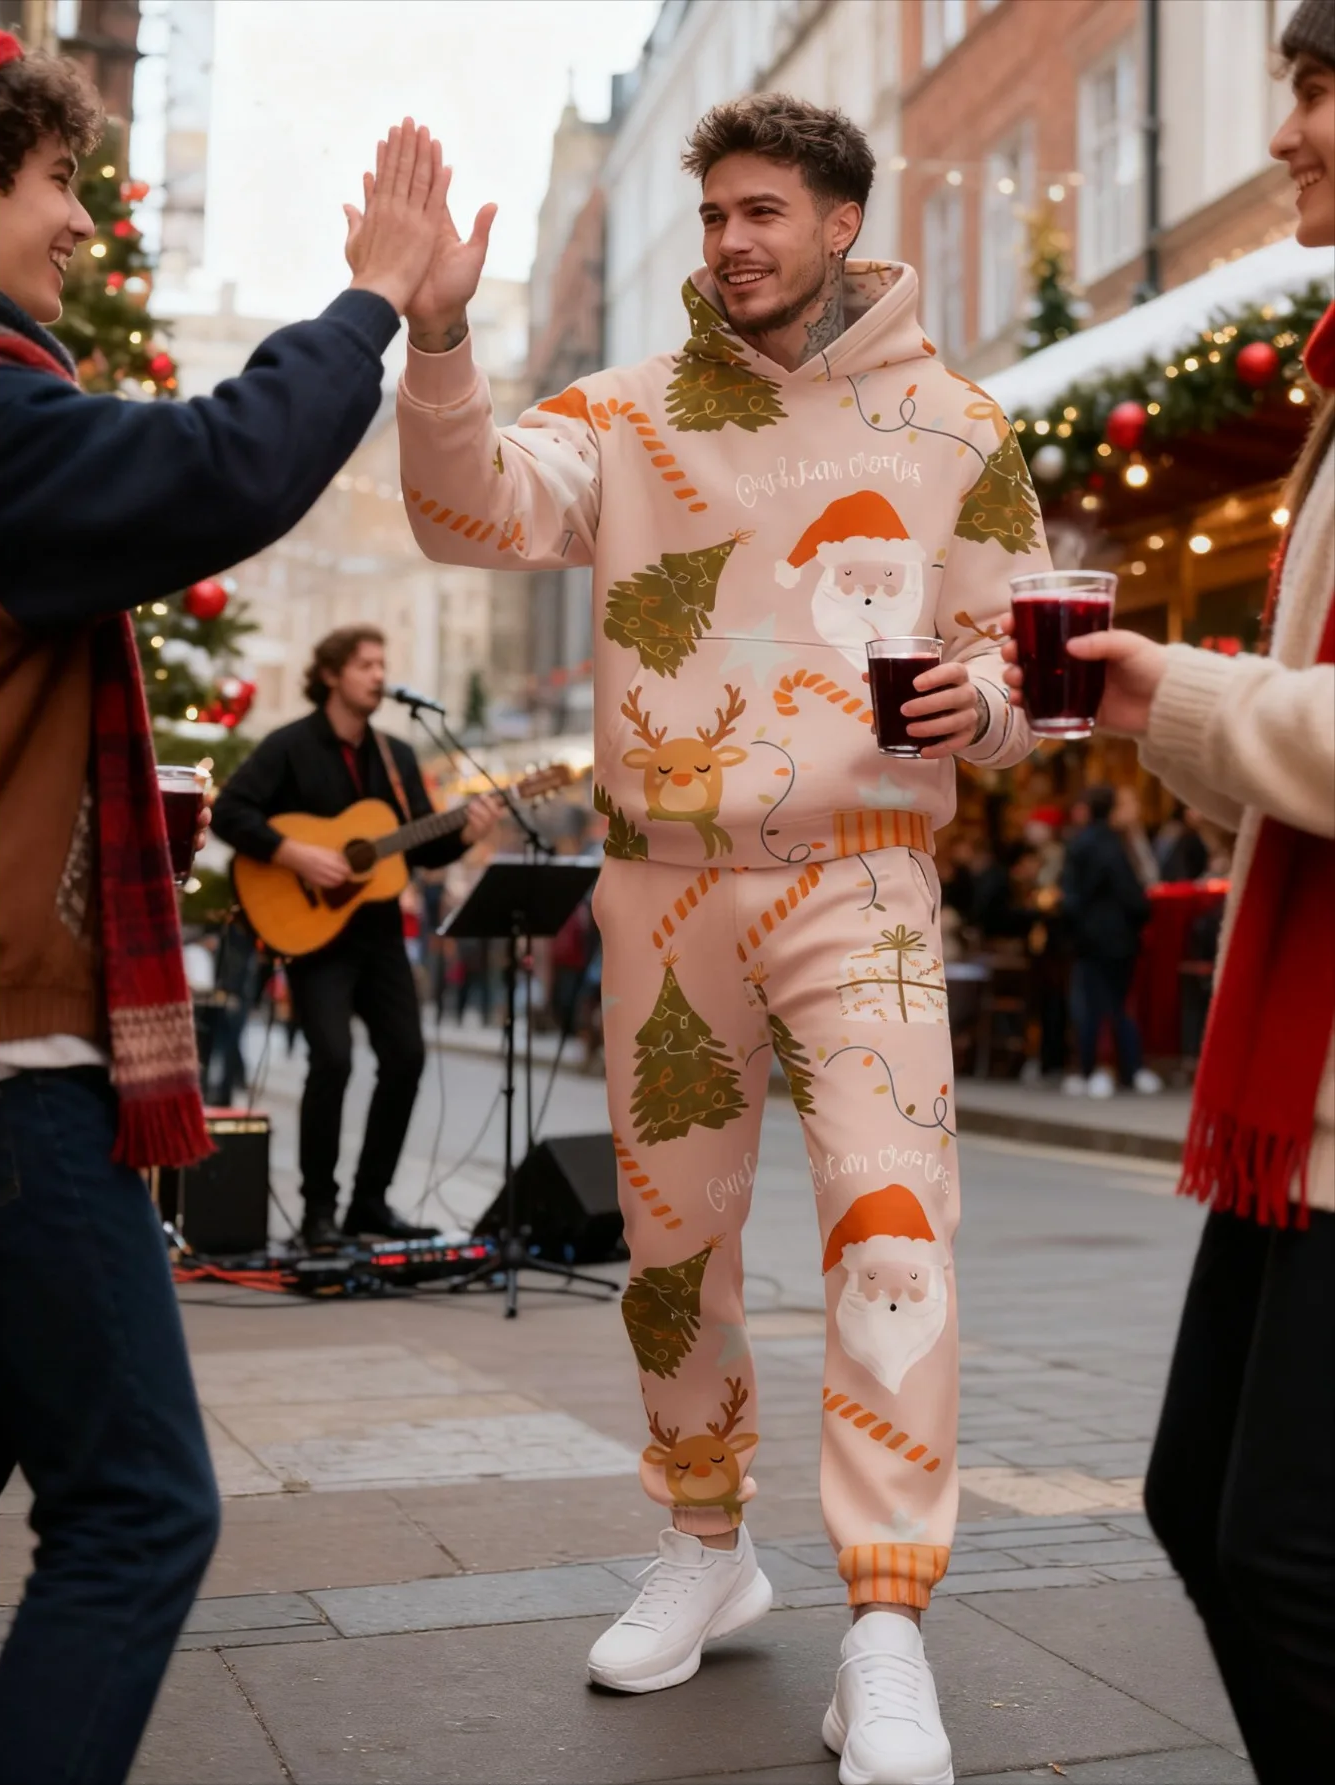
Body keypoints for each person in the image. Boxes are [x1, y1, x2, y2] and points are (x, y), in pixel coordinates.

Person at [396, 91, 1048, 1785]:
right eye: (714, 218)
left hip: (867, 873)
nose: (734, 243)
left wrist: (977, 702)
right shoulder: (622, 416)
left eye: (764, 212)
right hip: (662, 878)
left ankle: (886, 1622)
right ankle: (705, 1541)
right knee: (673, 1244)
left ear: (842, 221)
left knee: (892, 1223)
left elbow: (1029, 665)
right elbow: (471, 516)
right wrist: (447, 342)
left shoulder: (958, 425)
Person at [0, 30, 447, 1785]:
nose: (72, 227)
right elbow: (216, 471)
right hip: (22, 1074)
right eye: (48, 185)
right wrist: (369, 305)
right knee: (141, 1514)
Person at [1003, 7, 1335, 1774]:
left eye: (1315, 87)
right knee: (1206, 1502)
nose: (1285, 131)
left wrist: (1178, 691)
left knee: (1277, 1546)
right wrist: (1159, 707)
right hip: (1307, 1082)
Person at [211, 627, 500, 1249]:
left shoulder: (396, 756)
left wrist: (470, 831)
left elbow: (422, 848)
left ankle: (370, 1204)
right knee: (333, 1060)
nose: (378, 675)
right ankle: (319, 1211)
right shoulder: (289, 746)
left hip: (378, 936)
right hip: (316, 938)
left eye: (382, 664)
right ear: (333, 674)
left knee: (407, 1058)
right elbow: (232, 812)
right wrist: (295, 855)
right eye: (366, 664)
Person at [1059, 785, 1160, 1099]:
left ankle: (1090, 1069)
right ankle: (1128, 1068)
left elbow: (1070, 896)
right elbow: (1133, 895)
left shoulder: (1079, 844)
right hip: (1119, 939)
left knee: (1089, 1005)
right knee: (1118, 1005)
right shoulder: (1115, 846)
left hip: (1089, 939)